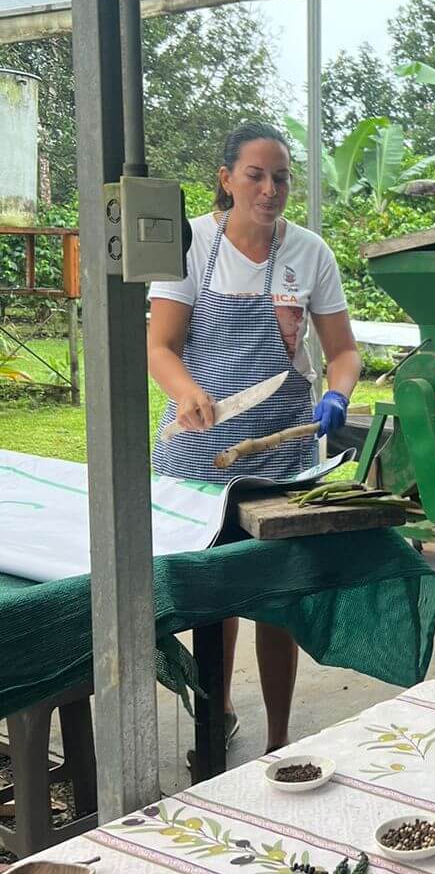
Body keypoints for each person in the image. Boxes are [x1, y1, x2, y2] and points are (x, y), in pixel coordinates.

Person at [147, 121, 361, 751]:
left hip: (283, 452)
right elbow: (160, 346)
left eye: (281, 178)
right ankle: (216, 719)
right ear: (226, 179)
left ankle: (279, 736)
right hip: (200, 447)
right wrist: (187, 392)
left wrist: (337, 393)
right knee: (216, 594)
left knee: (277, 590)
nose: (270, 190)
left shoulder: (309, 253)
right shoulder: (192, 245)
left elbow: (343, 351)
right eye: (256, 176)